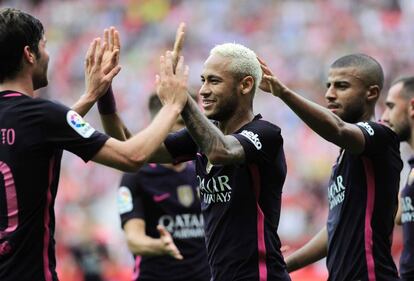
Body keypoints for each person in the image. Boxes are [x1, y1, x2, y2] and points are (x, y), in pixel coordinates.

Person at [0, 8, 188, 281]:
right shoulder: (41, 115)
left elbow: (43, 132)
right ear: (30, 54)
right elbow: (132, 156)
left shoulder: (37, 120)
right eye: (44, 46)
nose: (49, 55)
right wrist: (173, 105)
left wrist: (91, 95)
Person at [97, 28, 290, 279]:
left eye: (215, 81)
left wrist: (182, 100)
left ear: (245, 85)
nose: (203, 91)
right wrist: (103, 92)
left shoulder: (266, 134)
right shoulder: (197, 142)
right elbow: (130, 146)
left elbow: (222, 150)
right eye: (203, 81)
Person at [259, 54, 402, 280]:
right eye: (328, 86)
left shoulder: (381, 137)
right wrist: (284, 265)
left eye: (341, 86)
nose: (329, 94)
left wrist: (282, 92)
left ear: (371, 93)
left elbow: (338, 130)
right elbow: (334, 228)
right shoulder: (343, 160)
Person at [117, 93, 210, 281]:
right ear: (158, 128)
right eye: (182, 125)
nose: (191, 132)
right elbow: (133, 239)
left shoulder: (204, 169)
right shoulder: (136, 176)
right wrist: (159, 246)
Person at [381, 76, 414, 281]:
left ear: (412, 107)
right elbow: (399, 216)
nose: (384, 116)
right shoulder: (411, 169)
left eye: (391, 106)